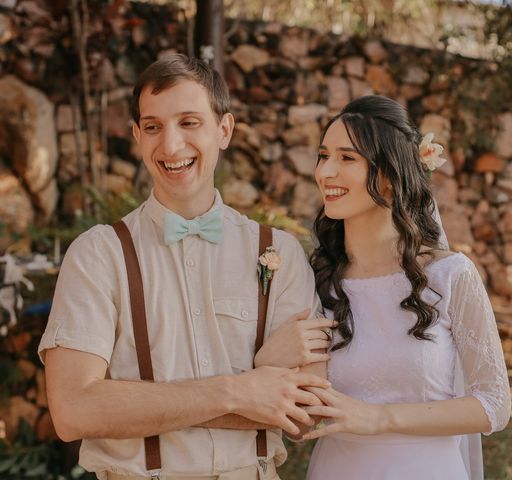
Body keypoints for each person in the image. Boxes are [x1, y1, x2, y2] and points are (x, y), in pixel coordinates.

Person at [38, 54, 333, 480]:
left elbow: (305, 411)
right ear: (137, 136)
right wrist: (241, 388)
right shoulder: (99, 254)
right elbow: (74, 411)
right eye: (153, 127)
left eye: (189, 122)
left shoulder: (279, 253)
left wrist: (137, 405)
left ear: (224, 130)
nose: (171, 145)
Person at [259, 95, 511, 479]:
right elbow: (303, 427)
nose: (326, 171)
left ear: (390, 175)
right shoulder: (318, 281)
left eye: (347, 158)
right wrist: (269, 362)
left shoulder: (451, 276)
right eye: (323, 156)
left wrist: (378, 418)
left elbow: (494, 404)